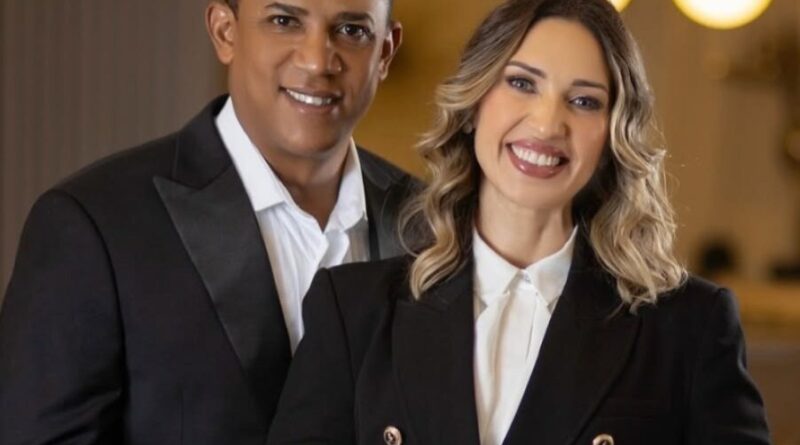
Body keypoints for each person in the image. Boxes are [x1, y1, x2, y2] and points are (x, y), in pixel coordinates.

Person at [266, 0, 771, 444]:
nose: (547, 124)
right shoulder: (353, 311)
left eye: (584, 101)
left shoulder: (690, 328)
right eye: (522, 83)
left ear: (613, 136)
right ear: (474, 104)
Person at [0, 0, 414, 443]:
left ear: (385, 51)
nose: (317, 61)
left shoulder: (439, 227)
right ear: (224, 31)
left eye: (352, 31)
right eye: (284, 21)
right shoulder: (91, 225)